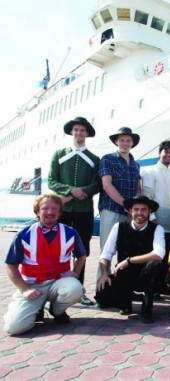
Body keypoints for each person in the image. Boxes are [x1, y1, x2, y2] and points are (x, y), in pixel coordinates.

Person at [3, 194, 85, 335]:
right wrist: (24, 289)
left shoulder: (70, 232)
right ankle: (36, 308)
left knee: (75, 289)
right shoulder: (23, 234)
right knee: (14, 328)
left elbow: (82, 255)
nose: (50, 212)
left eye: (54, 208)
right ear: (37, 212)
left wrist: (75, 273)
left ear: (59, 213)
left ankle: (56, 310)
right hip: (33, 285)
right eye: (45, 208)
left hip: (58, 282)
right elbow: (11, 265)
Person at [48, 116, 100, 306]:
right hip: (62, 211)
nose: (79, 133)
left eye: (82, 130)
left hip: (84, 211)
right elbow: (52, 180)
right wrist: (70, 192)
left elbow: (97, 184)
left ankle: (79, 290)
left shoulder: (94, 159)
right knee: (58, 249)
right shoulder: (59, 154)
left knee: (81, 249)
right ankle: (54, 290)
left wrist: (82, 192)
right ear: (72, 132)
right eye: (76, 130)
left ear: (87, 134)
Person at [95, 196, 165, 324]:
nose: (140, 213)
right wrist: (104, 274)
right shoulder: (119, 227)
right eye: (136, 209)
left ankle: (147, 308)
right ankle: (126, 301)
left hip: (147, 274)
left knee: (154, 266)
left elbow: (158, 254)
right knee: (102, 296)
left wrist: (129, 261)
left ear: (149, 211)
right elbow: (106, 254)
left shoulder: (157, 229)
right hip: (125, 274)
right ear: (130, 211)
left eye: (143, 210)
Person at [141, 140, 170, 294]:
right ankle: (152, 286)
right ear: (159, 153)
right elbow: (147, 196)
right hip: (156, 220)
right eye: (166, 151)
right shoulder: (149, 171)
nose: (168, 155)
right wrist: (151, 216)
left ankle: (163, 284)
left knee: (169, 256)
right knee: (156, 254)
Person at [98, 127, 141, 249]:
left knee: (126, 250)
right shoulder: (108, 159)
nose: (125, 143)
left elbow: (138, 188)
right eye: (122, 140)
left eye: (128, 140)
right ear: (116, 141)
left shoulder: (135, 165)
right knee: (107, 250)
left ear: (132, 143)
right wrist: (126, 204)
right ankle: (103, 269)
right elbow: (106, 185)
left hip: (128, 213)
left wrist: (134, 206)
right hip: (111, 210)